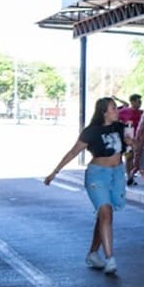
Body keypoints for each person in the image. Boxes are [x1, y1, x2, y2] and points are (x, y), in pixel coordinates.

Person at [44, 97, 132, 276]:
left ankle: (93, 253)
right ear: (104, 112)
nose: (117, 111)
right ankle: (110, 259)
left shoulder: (120, 128)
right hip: (97, 174)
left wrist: (132, 143)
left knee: (104, 216)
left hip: (116, 174)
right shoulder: (91, 132)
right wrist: (55, 172)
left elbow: (133, 147)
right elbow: (73, 151)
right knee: (105, 212)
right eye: (113, 108)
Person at [117, 94, 143, 184]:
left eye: (140, 101)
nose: (140, 103)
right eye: (138, 101)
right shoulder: (124, 111)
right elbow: (115, 119)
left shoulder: (142, 113)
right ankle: (129, 177)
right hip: (128, 138)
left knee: (139, 158)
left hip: (139, 138)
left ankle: (132, 174)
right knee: (129, 157)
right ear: (132, 102)